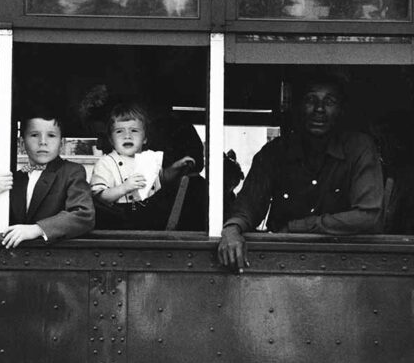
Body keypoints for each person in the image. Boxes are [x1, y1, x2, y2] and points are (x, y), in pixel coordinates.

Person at [218, 74, 384, 270]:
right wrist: (232, 229)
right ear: (298, 107)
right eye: (310, 100)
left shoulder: (359, 149)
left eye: (329, 102)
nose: (319, 109)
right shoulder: (275, 152)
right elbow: (248, 204)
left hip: (345, 264)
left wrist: (298, 227)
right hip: (282, 264)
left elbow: (367, 215)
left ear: (341, 110)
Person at [0, 111, 95, 248]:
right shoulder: (14, 179)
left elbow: (83, 215)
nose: (43, 142)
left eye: (51, 135)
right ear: (22, 143)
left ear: (61, 143)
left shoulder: (72, 171)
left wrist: (37, 229)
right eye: (34, 135)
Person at [89, 102, 195, 229]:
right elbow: (100, 197)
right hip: (119, 220)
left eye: (134, 130)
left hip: (148, 217)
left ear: (145, 138)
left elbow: (161, 179)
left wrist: (176, 167)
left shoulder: (148, 159)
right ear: (111, 140)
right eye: (119, 131)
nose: (127, 136)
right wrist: (124, 187)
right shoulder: (106, 163)